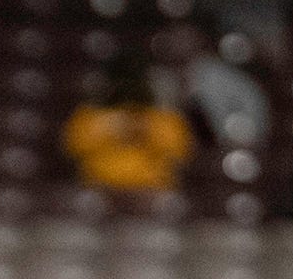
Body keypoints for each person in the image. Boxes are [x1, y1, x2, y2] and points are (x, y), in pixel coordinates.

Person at [65, 66, 195, 196]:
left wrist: (148, 129)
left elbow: (181, 152)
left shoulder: (166, 117)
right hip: (100, 188)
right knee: (85, 202)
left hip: (153, 189)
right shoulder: (89, 115)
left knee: (170, 204)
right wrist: (105, 128)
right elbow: (72, 148)